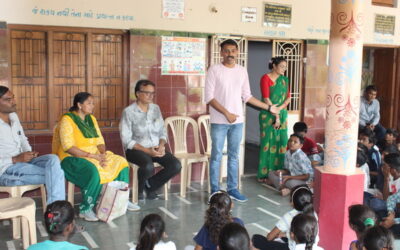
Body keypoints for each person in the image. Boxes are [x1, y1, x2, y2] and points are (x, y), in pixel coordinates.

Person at [204, 39, 278, 201]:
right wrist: (226, 113)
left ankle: (232, 189)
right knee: (216, 156)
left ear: (237, 52)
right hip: (219, 121)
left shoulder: (242, 70)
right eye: (227, 51)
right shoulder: (214, 70)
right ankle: (215, 191)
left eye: (233, 51)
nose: (230, 54)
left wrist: (268, 108)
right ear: (221, 52)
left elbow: (247, 96)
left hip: (237, 122)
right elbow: (209, 97)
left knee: (234, 156)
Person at [53, 92, 139, 222]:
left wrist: (102, 155)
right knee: (93, 169)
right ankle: (86, 209)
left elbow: (100, 141)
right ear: (79, 105)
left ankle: (121, 200)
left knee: (121, 163)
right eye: (89, 103)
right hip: (72, 158)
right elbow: (68, 147)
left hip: (94, 154)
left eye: (93, 103)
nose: (92, 106)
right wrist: (92, 156)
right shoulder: (67, 119)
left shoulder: (91, 119)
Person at [0, 86, 65, 204]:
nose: (13, 102)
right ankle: (56, 212)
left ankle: (55, 212)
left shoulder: (13, 117)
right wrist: (15, 159)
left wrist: (29, 152)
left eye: (13, 98)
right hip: (6, 169)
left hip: (25, 163)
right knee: (56, 174)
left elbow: (22, 138)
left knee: (53, 159)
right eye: (8, 100)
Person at [120, 80, 181, 200]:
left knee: (175, 165)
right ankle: (140, 190)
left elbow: (162, 131)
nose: (150, 96)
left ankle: (150, 186)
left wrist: (162, 145)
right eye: (147, 93)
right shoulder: (128, 112)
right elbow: (126, 139)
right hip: (136, 149)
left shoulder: (155, 108)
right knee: (148, 166)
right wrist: (147, 150)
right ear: (137, 93)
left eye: (152, 93)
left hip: (155, 147)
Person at [252, 185, 319, 250]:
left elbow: (269, 237)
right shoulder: (313, 214)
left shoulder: (289, 216)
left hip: (292, 248)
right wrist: (285, 234)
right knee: (282, 237)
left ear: (292, 202)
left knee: (256, 239)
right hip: (309, 246)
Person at [258, 56, 291, 181]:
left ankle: (278, 172)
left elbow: (288, 97)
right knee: (267, 142)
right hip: (268, 114)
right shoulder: (265, 78)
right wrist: (275, 114)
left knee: (282, 142)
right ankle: (264, 174)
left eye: (285, 67)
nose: (284, 69)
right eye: (282, 66)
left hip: (281, 114)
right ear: (274, 66)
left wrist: (280, 109)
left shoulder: (285, 80)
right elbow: (266, 98)